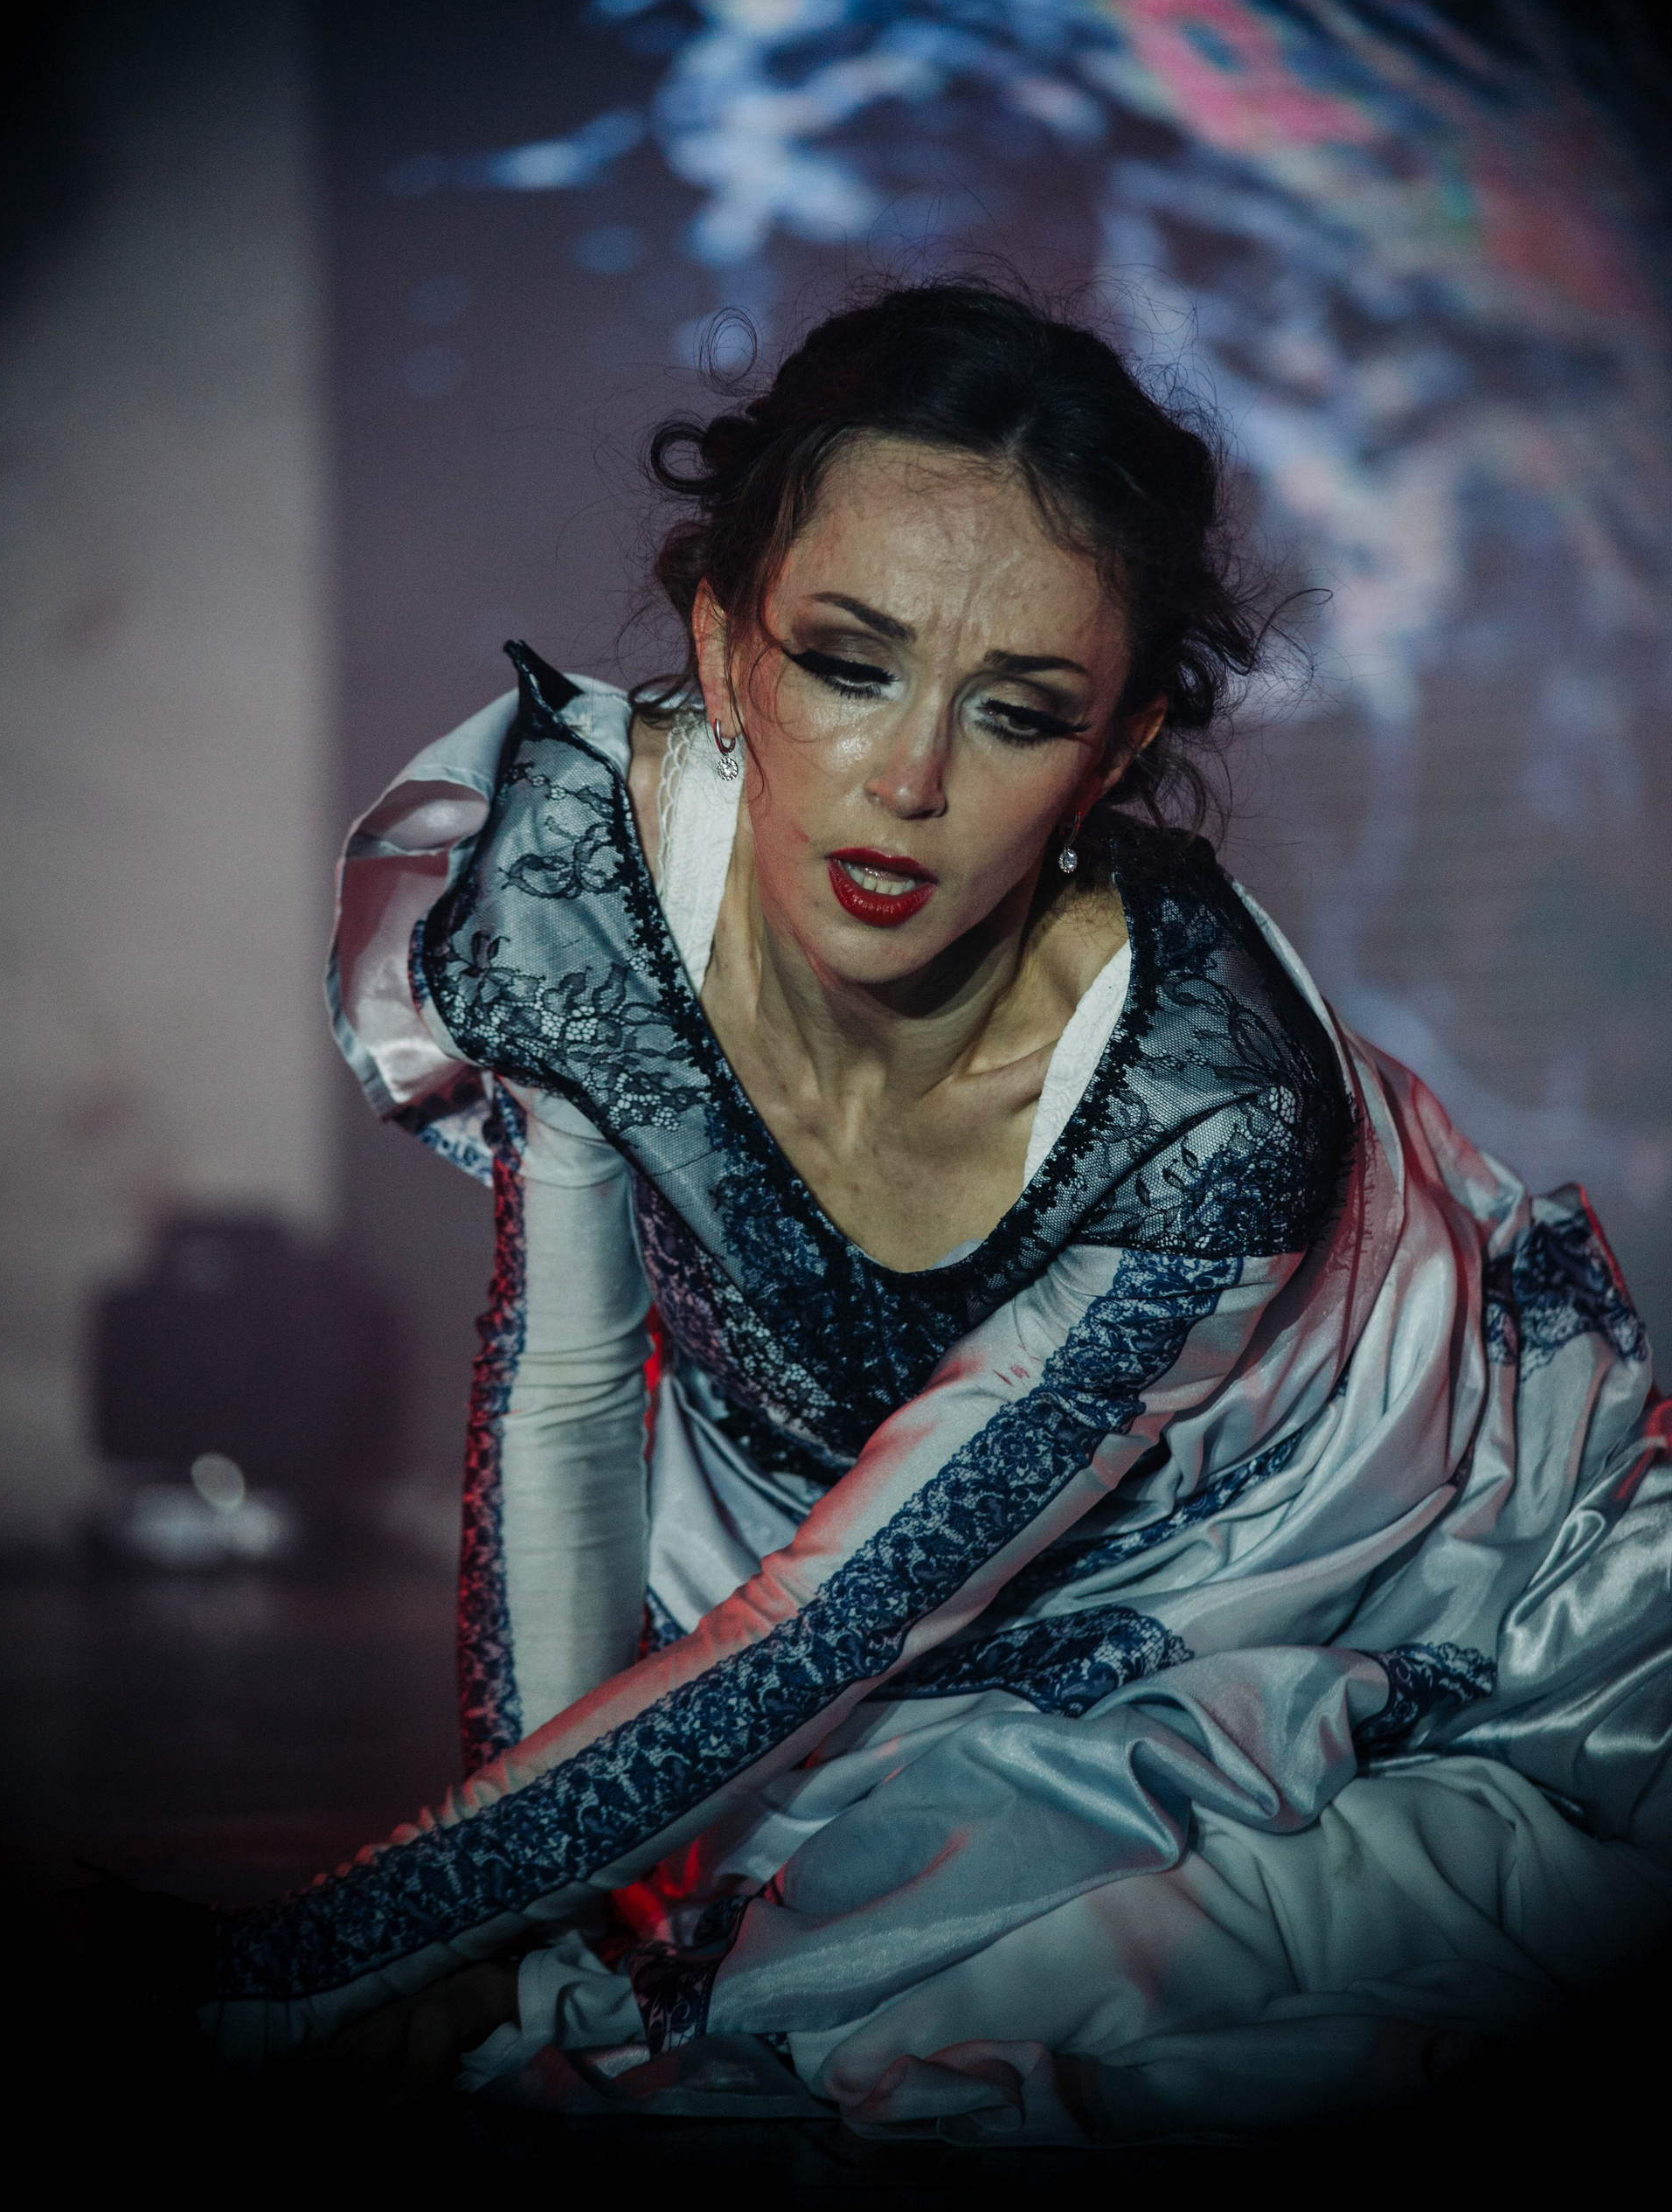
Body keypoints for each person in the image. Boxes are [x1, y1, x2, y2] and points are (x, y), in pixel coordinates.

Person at [216, 281, 1671, 2141]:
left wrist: (296, 1969)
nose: (908, 785)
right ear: (720, 642)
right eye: (848, 665)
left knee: (915, 1990)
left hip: (1305, 1550)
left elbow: (832, 1632)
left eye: (1020, 712)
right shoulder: (570, 878)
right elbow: (570, 1394)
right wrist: (499, 1933)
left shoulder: (1205, 1114)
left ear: (1117, 749)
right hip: (830, 1550)